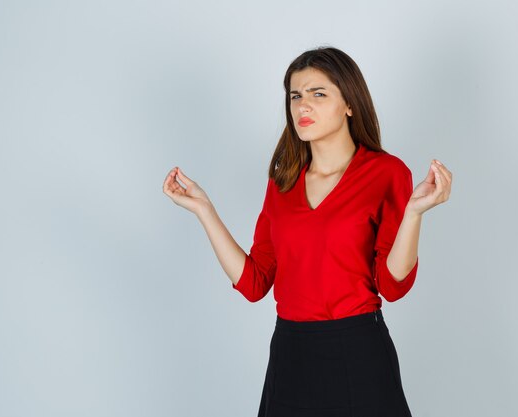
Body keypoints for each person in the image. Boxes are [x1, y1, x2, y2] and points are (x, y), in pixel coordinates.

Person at [162, 46, 452, 417]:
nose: (302, 106)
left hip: (358, 351)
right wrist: (204, 209)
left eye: (318, 94)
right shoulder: (282, 180)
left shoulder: (386, 173)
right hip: (291, 353)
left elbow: (393, 285)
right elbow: (254, 283)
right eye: (295, 96)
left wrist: (414, 213)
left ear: (349, 103)